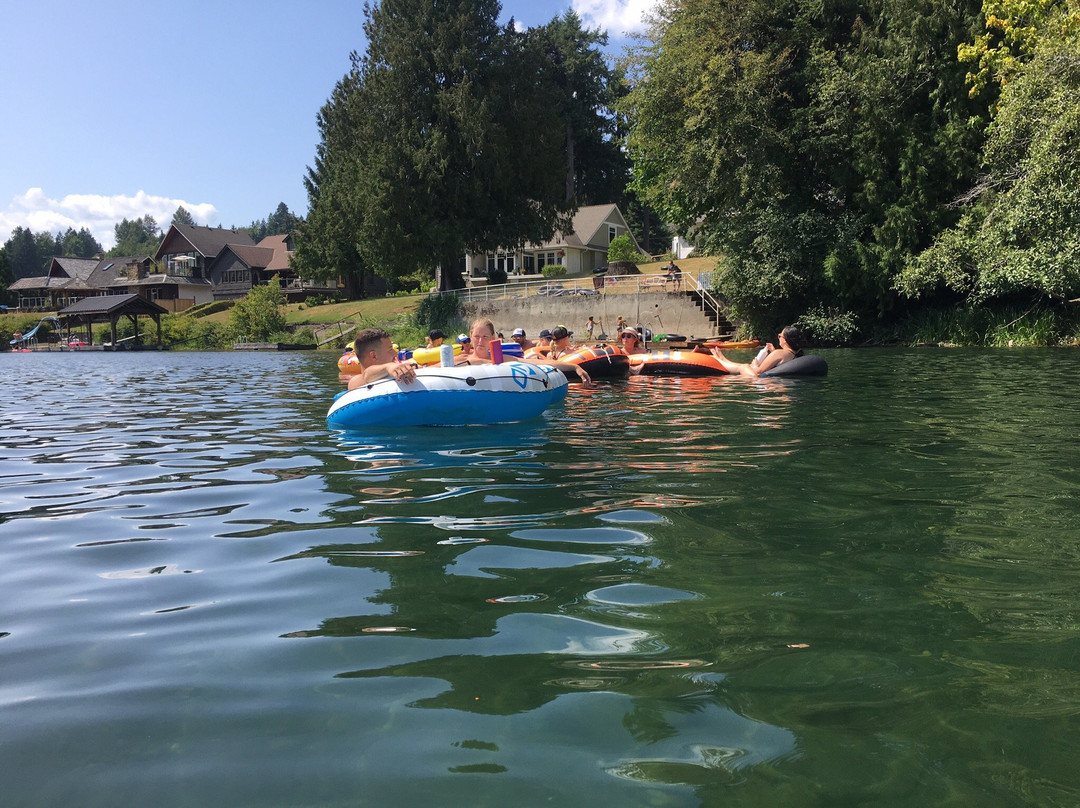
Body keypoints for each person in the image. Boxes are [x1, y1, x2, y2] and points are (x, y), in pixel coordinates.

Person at [463, 317, 593, 385]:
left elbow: (537, 363)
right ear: (470, 336)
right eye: (476, 336)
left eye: (485, 337)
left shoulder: (501, 360)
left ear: (493, 338)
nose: (480, 341)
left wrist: (574, 367)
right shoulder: (462, 360)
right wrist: (477, 361)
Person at [711, 325, 804, 376]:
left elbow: (758, 372)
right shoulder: (794, 354)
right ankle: (723, 360)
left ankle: (720, 360)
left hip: (758, 381)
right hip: (771, 382)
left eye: (780, 335)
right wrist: (773, 351)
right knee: (747, 366)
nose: (778, 337)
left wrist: (756, 365)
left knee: (745, 366)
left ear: (785, 340)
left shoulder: (779, 353)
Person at [347, 327, 417, 390]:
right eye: (390, 350)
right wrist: (388, 367)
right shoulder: (355, 382)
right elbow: (367, 375)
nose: (395, 354)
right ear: (374, 356)